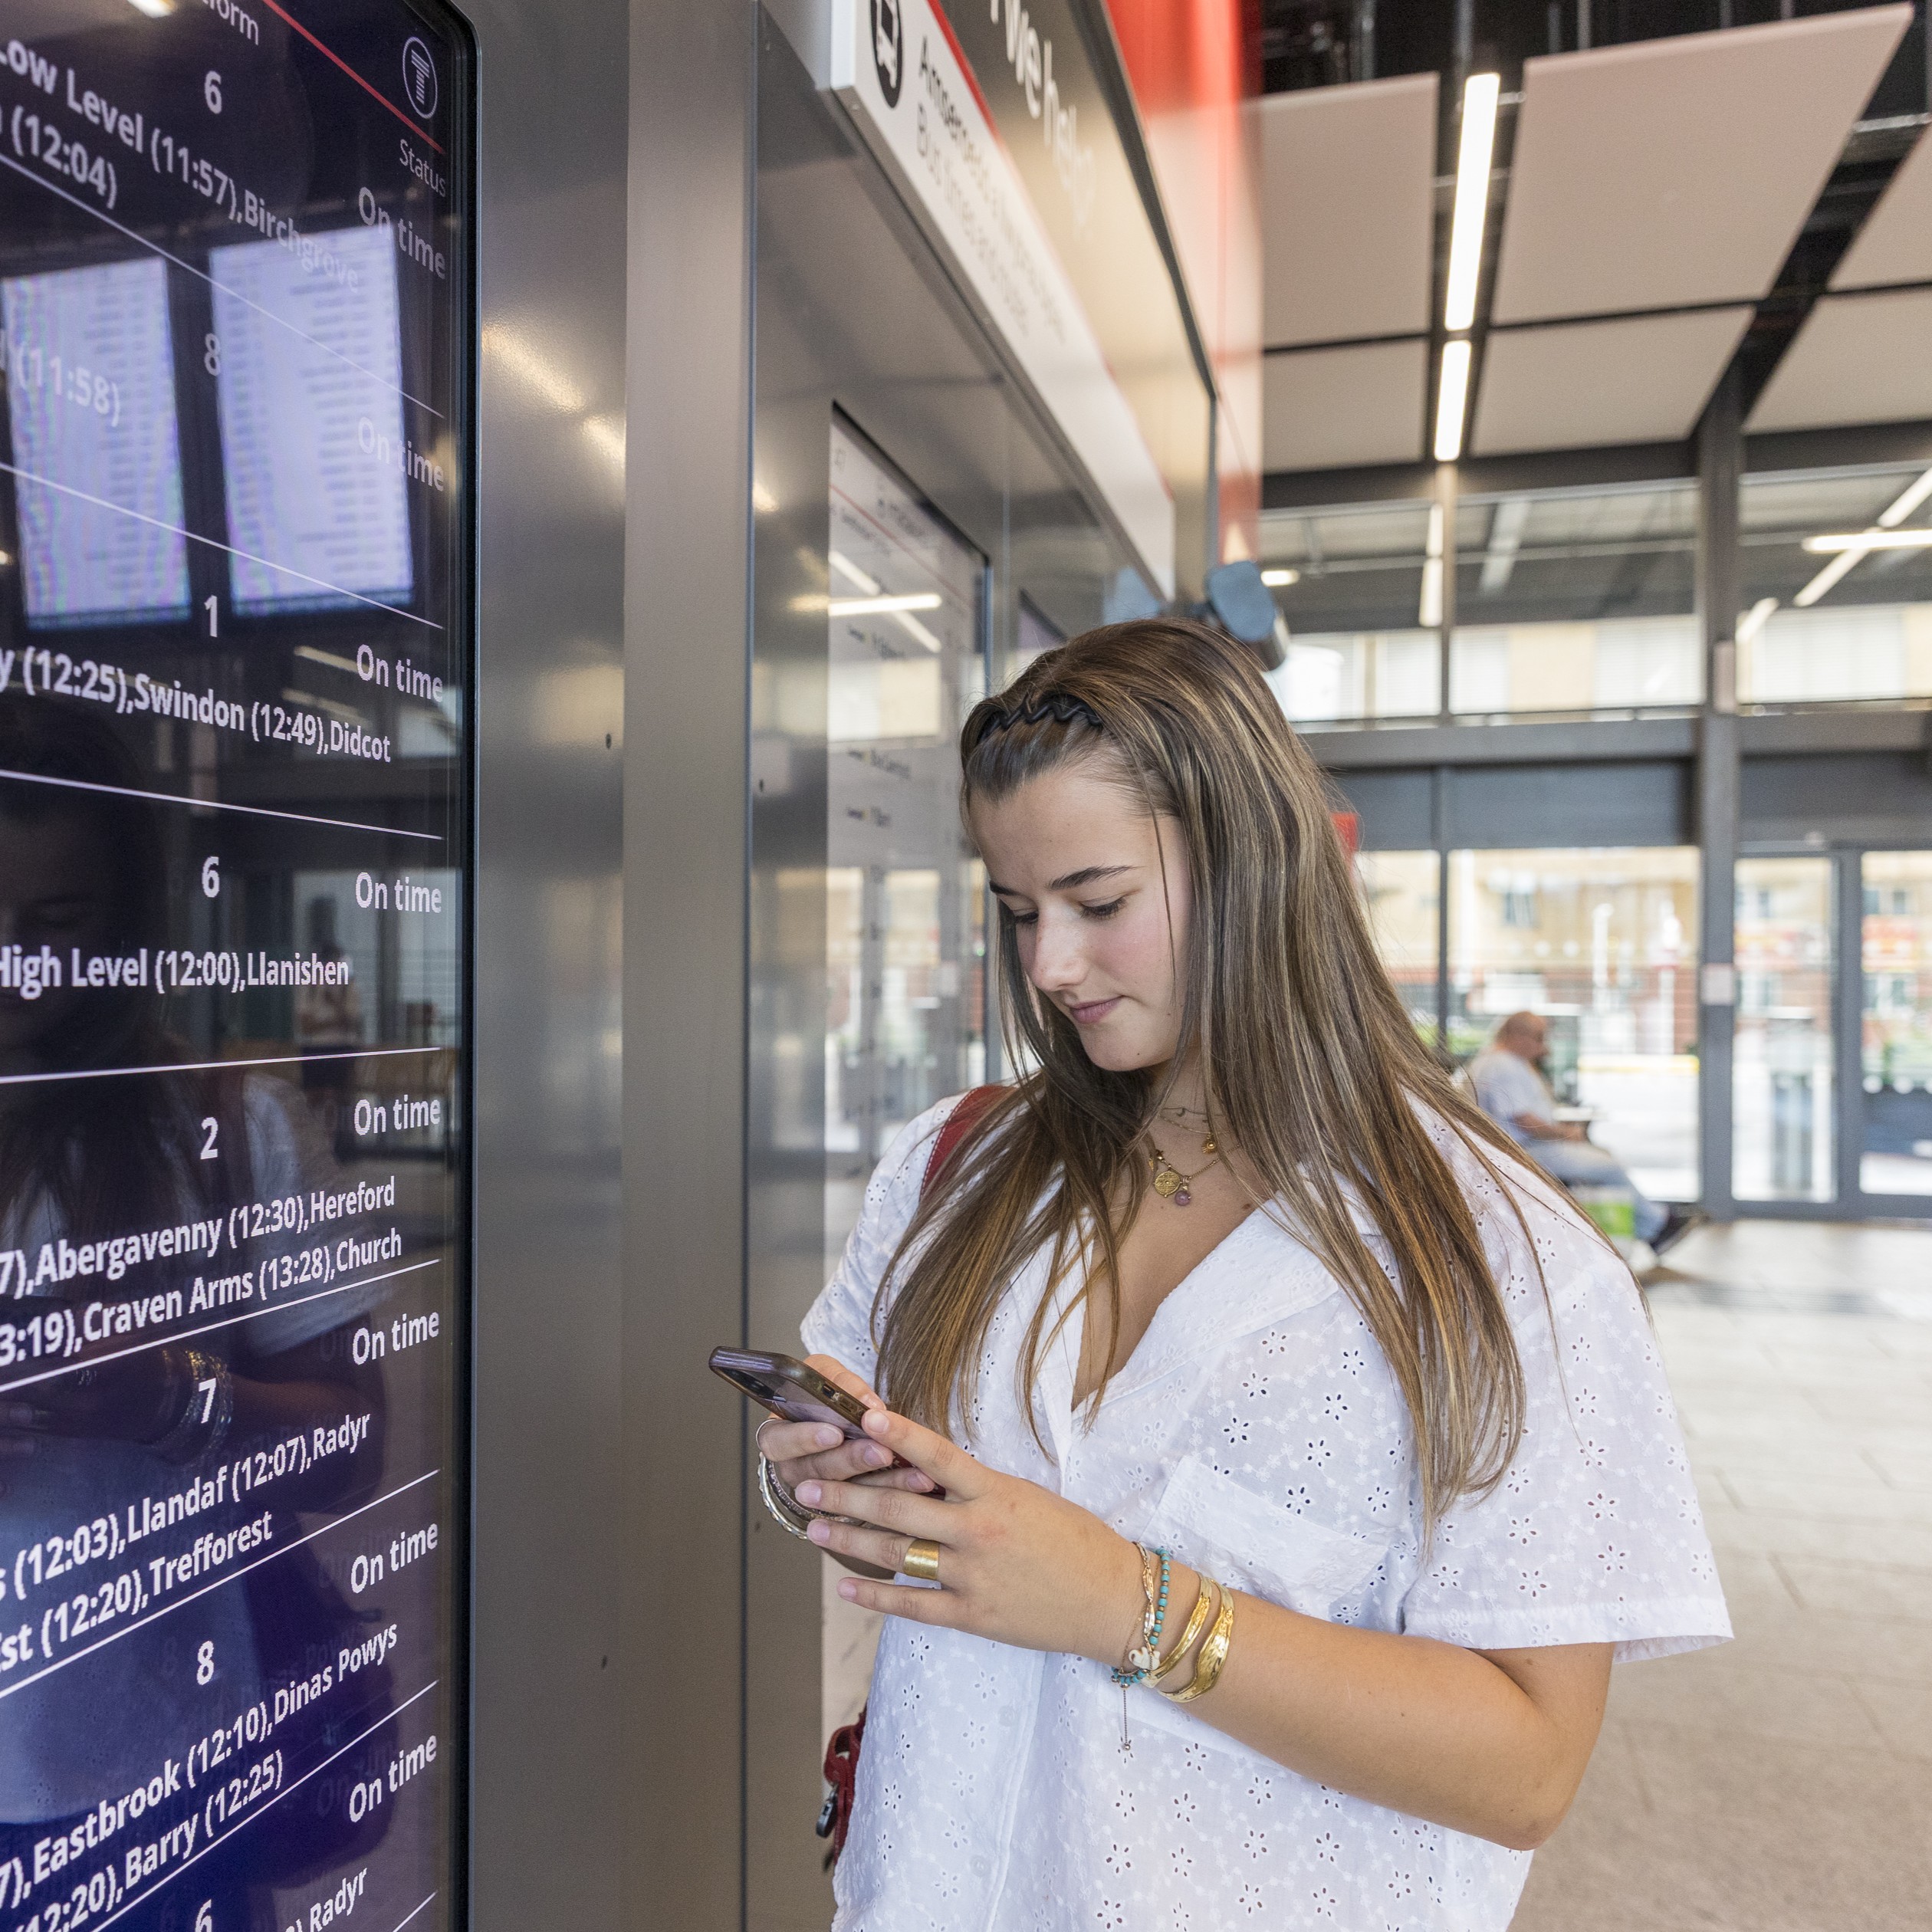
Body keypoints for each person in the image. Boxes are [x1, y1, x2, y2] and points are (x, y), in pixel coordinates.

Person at [758, 620, 1729, 1930]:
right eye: (1019, 911)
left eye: (1100, 905)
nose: (1050, 966)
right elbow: (856, 1431)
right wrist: (818, 1472)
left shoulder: (1501, 1265)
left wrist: (1126, 1603)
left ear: (1256, 865)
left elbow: (1528, 1769)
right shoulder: (959, 1170)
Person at [1469, 1010, 1698, 1257]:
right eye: (1539, 1037)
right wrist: (1565, 1134)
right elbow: (1524, 1120)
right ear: (1518, 1035)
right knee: (1607, 1165)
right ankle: (1658, 1227)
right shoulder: (1502, 1065)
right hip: (1524, 1149)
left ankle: (1653, 1225)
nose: (1543, 1045)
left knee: (1601, 1157)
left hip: (1526, 1145)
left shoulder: (1502, 1062)